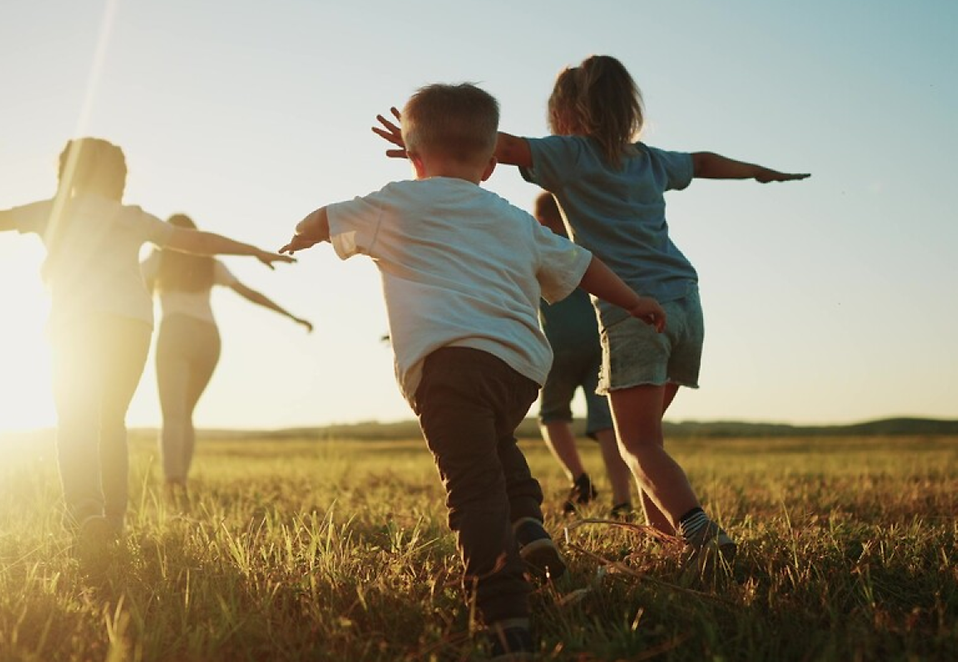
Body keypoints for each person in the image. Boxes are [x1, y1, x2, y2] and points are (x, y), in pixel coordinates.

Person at [374, 56, 809, 570]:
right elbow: (704, 161)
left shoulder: (570, 154)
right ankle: (663, 544)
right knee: (646, 441)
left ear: (565, 113)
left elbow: (498, 146)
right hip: (685, 304)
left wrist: (426, 142)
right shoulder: (650, 160)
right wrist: (759, 172)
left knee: (638, 444)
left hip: (634, 311)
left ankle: (698, 531)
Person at [281, 83, 665, 657]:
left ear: (413, 158)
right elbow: (583, 265)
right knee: (494, 446)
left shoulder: (393, 203)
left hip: (446, 367)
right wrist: (634, 301)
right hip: (518, 369)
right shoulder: (513, 219)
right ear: (489, 166)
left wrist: (299, 237)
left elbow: (323, 218)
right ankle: (528, 523)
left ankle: (505, 616)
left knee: (473, 488)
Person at [0, 137, 293, 543]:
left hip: (77, 324)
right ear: (119, 177)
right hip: (132, 325)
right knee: (111, 420)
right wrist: (253, 250)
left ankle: (87, 512)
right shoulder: (133, 217)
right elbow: (197, 242)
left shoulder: (52, 211)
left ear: (70, 171)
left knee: (76, 417)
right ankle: (114, 519)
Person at [141, 213, 312, 500]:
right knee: (186, 414)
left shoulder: (157, 260)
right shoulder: (210, 263)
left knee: (173, 415)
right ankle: (180, 483)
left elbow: (133, 290)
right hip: (208, 338)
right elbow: (250, 294)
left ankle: (173, 483)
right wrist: (292, 317)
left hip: (175, 332)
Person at [532, 191, 632, 519]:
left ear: (542, 219)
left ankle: (579, 479)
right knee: (606, 422)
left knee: (552, 415)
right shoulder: (588, 243)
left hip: (558, 345)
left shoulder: (540, 246)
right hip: (600, 341)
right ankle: (622, 499)